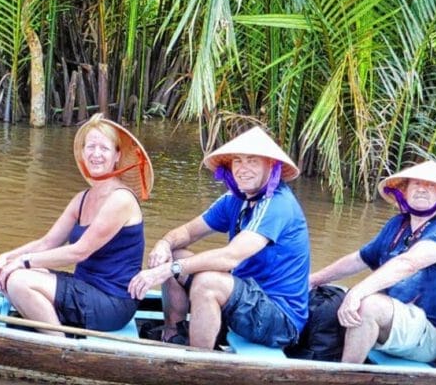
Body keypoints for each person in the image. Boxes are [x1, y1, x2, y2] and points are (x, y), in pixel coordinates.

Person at [128, 126, 310, 350]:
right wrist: (164, 244)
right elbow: (186, 233)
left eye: (252, 161)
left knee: (206, 283)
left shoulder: (278, 204)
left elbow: (230, 258)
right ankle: (173, 334)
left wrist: (171, 269)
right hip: (247, 297)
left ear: (270, 166)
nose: (243, 169)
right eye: (238, 162)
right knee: (172, 254)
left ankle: (197, 361)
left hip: (280, 320)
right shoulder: (235, 199)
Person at [0, 114, 153, 336]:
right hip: (84, 287)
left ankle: (59, 346)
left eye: (104, 148)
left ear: (117, 156)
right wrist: (7, 258)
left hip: (112, 301)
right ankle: (52, 325)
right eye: (91, 147)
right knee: (5, 276)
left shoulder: (121, 199)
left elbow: (80, 251)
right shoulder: (82, 199)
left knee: (19, 281)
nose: (96, 154)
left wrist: (23, 263)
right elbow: (48, 242)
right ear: (84, 153)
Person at [308, 160, 436, 364]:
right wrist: (314, 280)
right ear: (405, 190)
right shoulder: (397, 225)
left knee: (368, 305)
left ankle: (345, 377)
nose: (422, 189)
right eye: (416, 184)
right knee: (332, 293)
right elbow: (360, 259)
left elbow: (409, 263)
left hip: (428, 334)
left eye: (430, 186)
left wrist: (358, 292)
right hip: (394, 320)